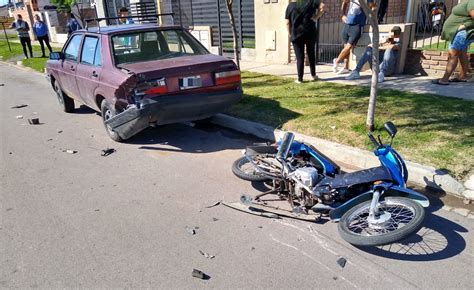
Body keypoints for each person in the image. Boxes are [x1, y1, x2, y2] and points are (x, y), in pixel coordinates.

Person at [432, 0, 474, 85]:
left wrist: (466, 25)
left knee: (453, 54)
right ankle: (463, 77)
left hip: (463, 32)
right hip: (463, 32)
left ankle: (444, 79)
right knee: (462, 53)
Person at [285, 0, 326, 84]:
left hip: (296, 34)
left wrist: (290, 34)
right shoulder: (311, 2)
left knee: (300, 57)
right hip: (310, 33)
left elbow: (287, 22)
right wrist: (316, 17)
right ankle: (313, 75)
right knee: (311, 54)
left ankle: (300, 79)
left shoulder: (290, 6)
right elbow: (323, 6)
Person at [333, 0, 374, 74]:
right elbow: (345, 2)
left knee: (349, 46)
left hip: (357, 25)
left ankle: (336, 61)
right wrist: (342, 15)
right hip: (347, 24)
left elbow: (372, 7)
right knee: (346, 47)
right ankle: (345, 67)